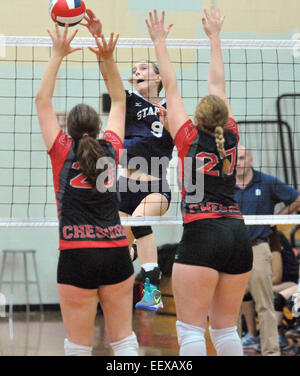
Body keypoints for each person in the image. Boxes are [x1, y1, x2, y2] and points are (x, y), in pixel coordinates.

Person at [146, 7, 253, 356]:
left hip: (202, 232)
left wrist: (159, 40)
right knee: (225, 331)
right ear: (224, 117)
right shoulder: (233, 135)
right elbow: (217, 84)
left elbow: (171, 86)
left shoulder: (187, 136)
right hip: (237, 234)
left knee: (190, 330)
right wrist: (215, 36)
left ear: (198, 117)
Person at [35, 24, 139, 356]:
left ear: (69, 128)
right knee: (123, 341)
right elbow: (120, 100)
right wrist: (107, 58)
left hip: (75, 255)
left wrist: (57, 55)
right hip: (115, 253)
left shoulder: (61, 150)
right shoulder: (111, 146)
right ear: (98, 126)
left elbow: (42, 100)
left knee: (77, 346)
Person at [81, 9, 174, 311]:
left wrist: (170, 119)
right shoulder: (127, 100)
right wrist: (100, 44)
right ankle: (119, 276)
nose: (137, 71)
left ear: (158, 77)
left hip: (156, 185)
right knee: (118, 245)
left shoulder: (171, 104)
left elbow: (181, 136)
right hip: (123, 186)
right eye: (134, 69)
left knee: (141, 222)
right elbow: (109, 75)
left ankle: (152, 291)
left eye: (144, 67)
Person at [235, 145, 300, 355]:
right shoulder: (225, 185)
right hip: (231, 249)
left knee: (265, 303)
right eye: (236, 158)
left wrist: (278, 218)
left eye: (243, 158)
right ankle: (232, 348)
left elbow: (297, 198)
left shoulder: (267, 182)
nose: (239, 162)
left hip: (258, 247)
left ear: (251, 159)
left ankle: (271, 350)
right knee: (230, 303)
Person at [241, 227, 299, 352]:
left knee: (267, 295)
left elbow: (277, 277)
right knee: (244, 292)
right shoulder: (248, 242)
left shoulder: (273, 240)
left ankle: (277, 336)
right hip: (269, 283)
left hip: (287, 282)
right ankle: (252, 336)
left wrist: (254, 286)